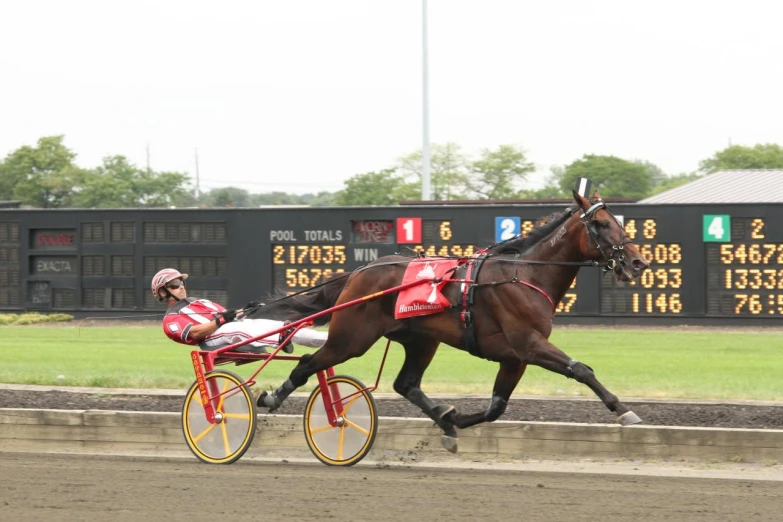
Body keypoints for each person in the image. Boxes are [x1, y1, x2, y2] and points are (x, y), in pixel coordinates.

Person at [152, 268, 327, 354]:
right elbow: (196, 332)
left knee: (282, 325)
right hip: (211, 340)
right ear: (162, 292)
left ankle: (329, 340)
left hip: (230, 328)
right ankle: (281, 336)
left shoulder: (200, 301)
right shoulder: (170, 321)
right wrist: (220, 321)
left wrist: (245, 310)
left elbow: (229, 316)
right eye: (175, 285)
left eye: (181, 283)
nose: (181, 286)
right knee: (234, 328)